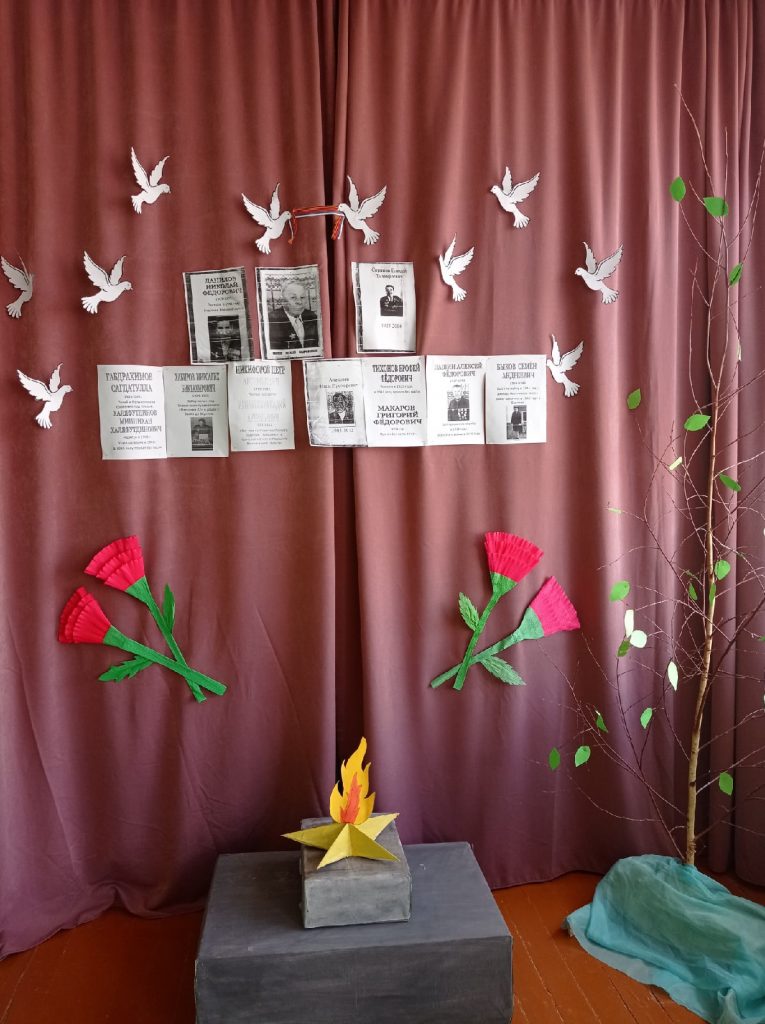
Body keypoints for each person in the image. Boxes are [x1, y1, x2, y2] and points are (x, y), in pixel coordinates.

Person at [268, 281, 320, 350]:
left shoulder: (312, 316)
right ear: (282, 300)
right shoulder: (271, 319)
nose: (299, 302)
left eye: (302, 297)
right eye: (293, 297)